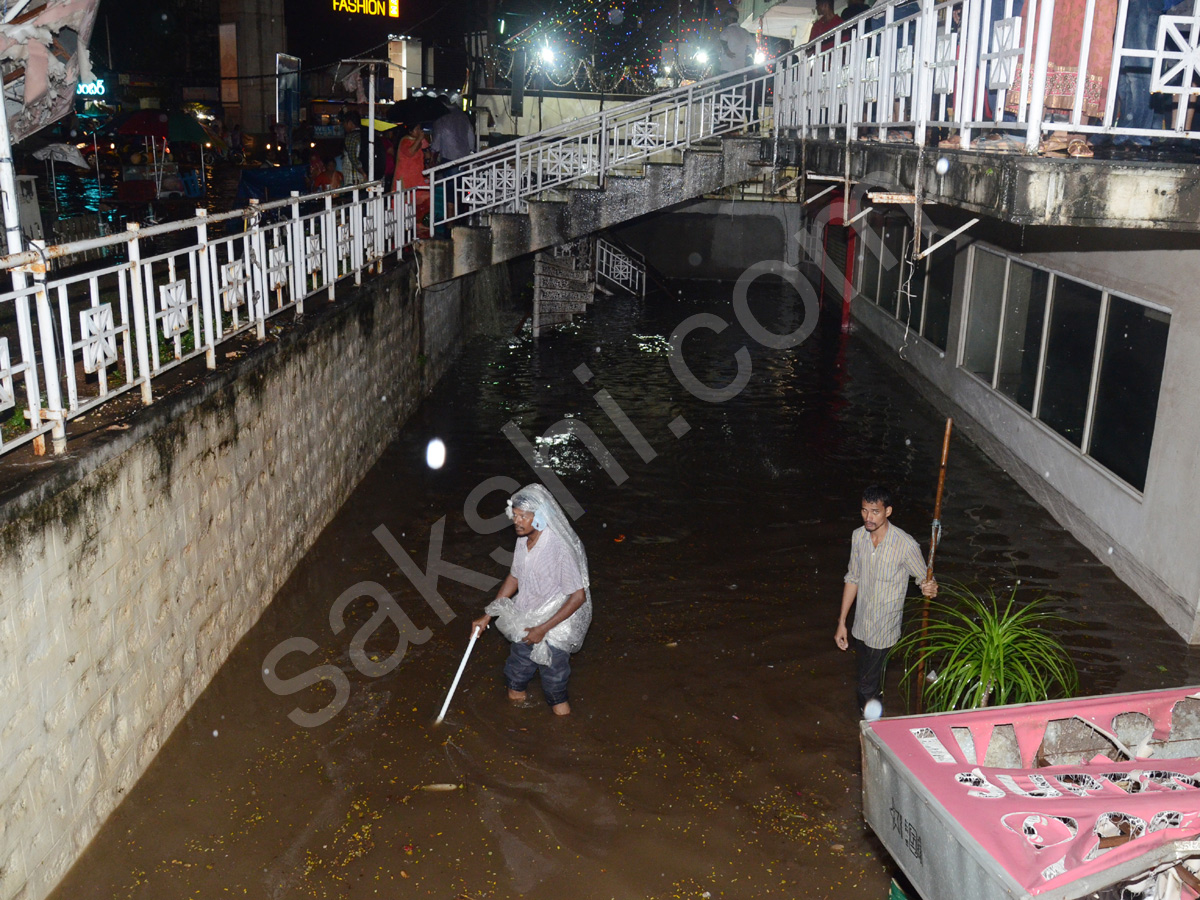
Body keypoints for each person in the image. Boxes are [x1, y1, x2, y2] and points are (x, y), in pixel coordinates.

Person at [471, 484, 592, 717]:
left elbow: (578, 597)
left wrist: (543, 629)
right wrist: (487, 615)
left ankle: (566, 739)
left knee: (555, 690)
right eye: (514, 515)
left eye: (523, 516)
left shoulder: (559, 549)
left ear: (541, 516)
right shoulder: (522, 540)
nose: (517, 521)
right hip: (525, 621)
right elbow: (515, 577)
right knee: (515, 682)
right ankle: (515, 735)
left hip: (555, 627)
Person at [834, 485, 938, 716]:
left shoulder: (905, 545)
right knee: (868, 679)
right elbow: (853, 578)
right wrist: (842, 621)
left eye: (875, 511)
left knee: (865, 686)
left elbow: (924, 580)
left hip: (883, 630)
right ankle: (876, 707)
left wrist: (929, 586)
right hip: (861, 625)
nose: (868, 518)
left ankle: (871, 727)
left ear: (888, 511)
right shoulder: (858, 536)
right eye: (864, 511)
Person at [392, 122, 431, 238]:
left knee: (422, 202)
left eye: (420, 129)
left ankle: (418, 227)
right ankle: (403, 234)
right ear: (410, 131)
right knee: (403, 207)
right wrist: (419, 139)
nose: (419, 131)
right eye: (417, 129)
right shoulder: (405, 141)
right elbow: (410, 152)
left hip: (416, 178)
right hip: (405, 180)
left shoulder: (418, 141)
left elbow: (426, 149)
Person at [339, 108, 367, 186]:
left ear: (350, 123)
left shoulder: (350, 137)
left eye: (344, 123)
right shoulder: (365, 134)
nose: (343, 126)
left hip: (353, 180)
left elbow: (353, 157)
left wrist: (363, 173)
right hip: (364, 181)